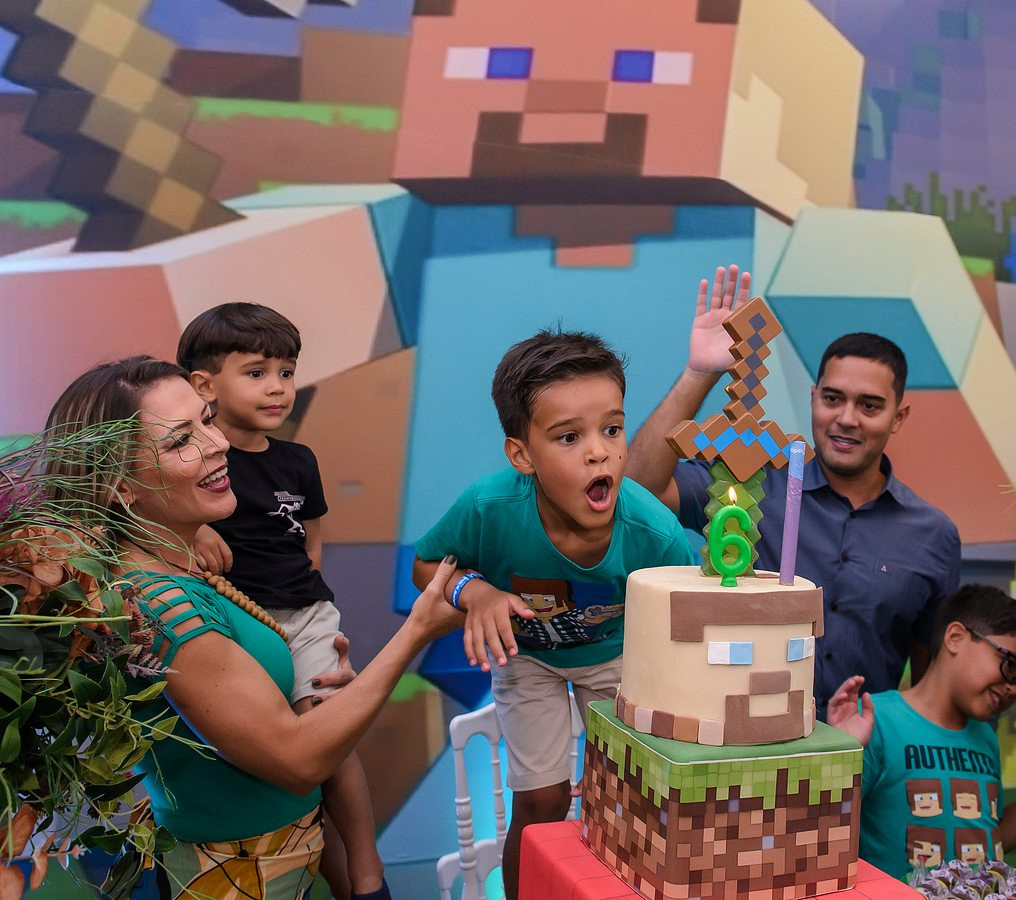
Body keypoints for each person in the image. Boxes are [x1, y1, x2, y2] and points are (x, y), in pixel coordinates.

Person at [44, 356, 465, 899]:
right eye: (181, 441)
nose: (218, 444)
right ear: (120, 487)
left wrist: (326, 702)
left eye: (206, 420)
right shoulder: (161, 606)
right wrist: (417, 630)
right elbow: (297, 761)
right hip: (237, 874)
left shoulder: (176, 567)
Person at [411, 330, 694, 899]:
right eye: (569, 437)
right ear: (522, 456)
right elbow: (426, 566)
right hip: (530, 657)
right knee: (541, 801)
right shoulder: (489, 507)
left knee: (625, 797)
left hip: (616, 656)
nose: (599, 452)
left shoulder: (655, 531)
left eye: (612, 430)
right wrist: (475, 592)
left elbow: (681, 622)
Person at [626, 264, 961, 713]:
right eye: (833, 398)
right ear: (813, 398)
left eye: (870, 405)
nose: (846, 418)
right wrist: (700, 372)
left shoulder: (934, 535)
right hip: (743, 733)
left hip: (859, 748)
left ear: (898, 417)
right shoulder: (749, 477)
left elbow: (930, 688)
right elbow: (639, 489)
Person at [175, 302, 385, 900]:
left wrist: (305, 598)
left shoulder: (298, 460)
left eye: (286, 373)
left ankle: (366, 872)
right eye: (257, 372)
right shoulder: (195, 464)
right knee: (292, 760)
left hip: (306, 613)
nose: (278, 387)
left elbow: (311, 537)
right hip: (236, 623)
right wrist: (197, 531)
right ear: (204, 386)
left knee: (326, 732)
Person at [826, 584, 1016, 881]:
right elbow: (822, 831)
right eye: (1010, 665)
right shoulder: (873, 721)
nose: (1013, 688)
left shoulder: (985, 738)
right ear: (955, 638)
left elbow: (986, 843)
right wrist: (839, 756)